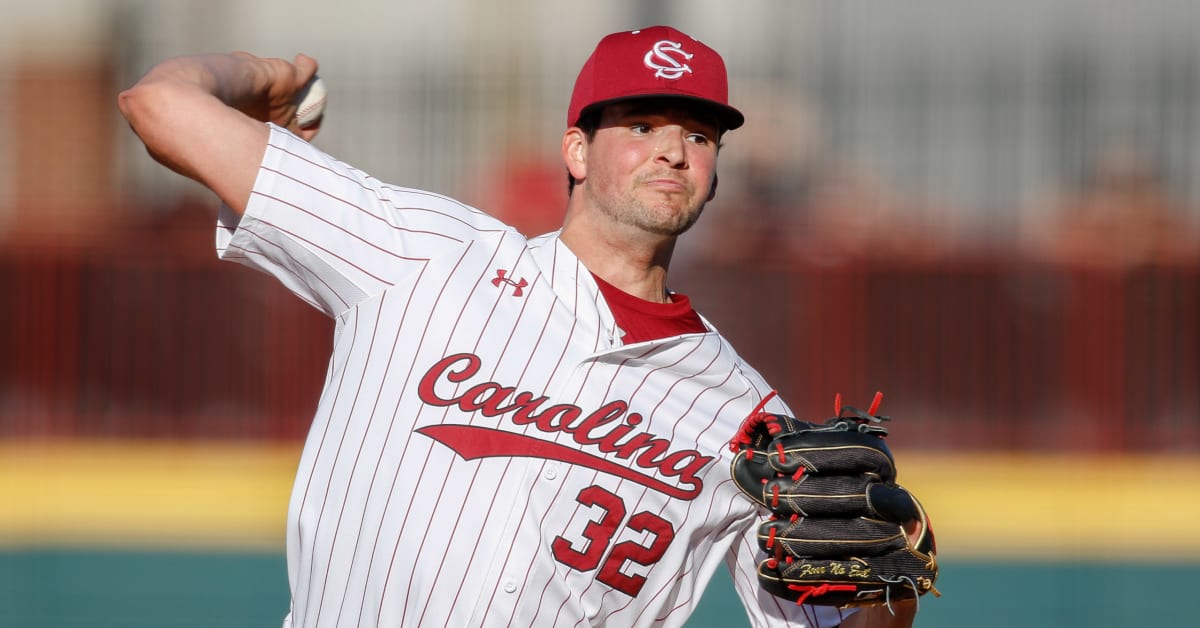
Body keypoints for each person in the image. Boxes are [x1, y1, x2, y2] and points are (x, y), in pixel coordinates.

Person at [119, 26, 918, 628]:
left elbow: (844, 619)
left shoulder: (745, 416)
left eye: (699, 135)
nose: (673, 151)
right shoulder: (422, 253)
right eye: (641, 125)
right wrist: (269, 76)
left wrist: (896, 573)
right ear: (576, 149)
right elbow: (158, 104)